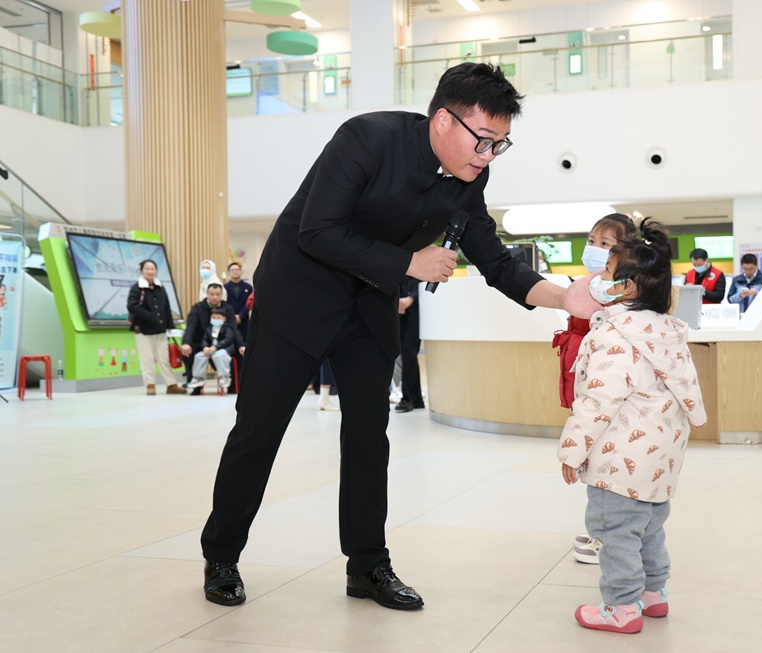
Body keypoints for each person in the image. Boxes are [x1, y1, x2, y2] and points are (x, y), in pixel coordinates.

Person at [199, 62, 599, 611]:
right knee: (258, 431)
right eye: (483, 140)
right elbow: (317, 231)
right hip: (298, 299)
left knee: (369, 436)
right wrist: (408, 261)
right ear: (444, 120)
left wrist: (564, 297)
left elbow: (496, 261)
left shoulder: (469, 178)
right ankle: (221, 555)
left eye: (499, 145)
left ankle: (367, 565)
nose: (488, 156)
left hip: (367, 307)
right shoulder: (366, 139)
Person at [558, 219, 707, 634]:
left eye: (606, 272)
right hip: (661, 458)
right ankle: (653, 593)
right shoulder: (668, 332)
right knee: (650, 528)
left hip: (619, 459)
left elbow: (598, 401)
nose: (599, 279)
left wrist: (572, 450)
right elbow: (688, 389)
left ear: (625, 288)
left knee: (616, 531)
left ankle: (622, 607)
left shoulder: (615, 335)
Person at [552, 212, 638, 565]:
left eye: (605, 244)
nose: (594, 249)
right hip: (586, 380)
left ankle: (608, 537)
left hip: (607, 387)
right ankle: (603, 530)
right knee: (596, 459)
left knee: (606, 462)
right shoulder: (593, 284)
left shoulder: (619, 291)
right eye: (591, 241)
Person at [126, 260, 186, 396]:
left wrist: (170, 325)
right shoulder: (137, 288)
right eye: (147, 269)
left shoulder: (160, 287)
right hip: (143, 330)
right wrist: (150, 317)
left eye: (152, 269)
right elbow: (132, 306)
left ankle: (171, 385)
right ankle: (150, 385)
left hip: (160, 329)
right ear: (142, 271)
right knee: (147, 359)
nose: (150, 271)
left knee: (164, 358)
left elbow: (166, 306)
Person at [181, 283, 244, 392]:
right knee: (188, 352)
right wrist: (186, 343)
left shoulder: (228, 308)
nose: (215, 297)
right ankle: (195, 384)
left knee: (240, 353)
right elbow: (191, 326)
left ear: (221, 295)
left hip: (223, 344)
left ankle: (233, 385)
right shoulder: (197, 308)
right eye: (212, 294)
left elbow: (233, 329)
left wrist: (241, 345)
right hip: (202, 343)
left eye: (218, 294)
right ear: (207, 294)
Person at [394, 276, 424, 413]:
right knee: (407, 354)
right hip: (401, 307)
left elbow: (430, 280)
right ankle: (416, 399)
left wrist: (412, 297)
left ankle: (408, 398)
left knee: (409, 352)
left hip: (417, 307)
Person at [188, 310, 236, 390]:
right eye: (213, 317)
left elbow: (228, 340)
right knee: (199, 356)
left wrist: (216, 347)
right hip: (211, 349)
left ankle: (224, 377)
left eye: (218, 318)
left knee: (219, 355)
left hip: (224, 349)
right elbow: (204, 339)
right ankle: (198, 378)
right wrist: (205, 347)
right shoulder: (209, 329)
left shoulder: (227, 328)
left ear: (224, 319)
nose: (215, 319)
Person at [224, 262, 253, 341]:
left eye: (237, 269)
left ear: (241, 272)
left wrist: (240, 316)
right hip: (229, 319)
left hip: (244, 319)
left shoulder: (248, 287)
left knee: (245, 341)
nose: (235, 272)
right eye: (232, 270)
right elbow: (224, 304)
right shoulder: (224, 287)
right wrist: (233, 316)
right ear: (229, 272)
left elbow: (249, 303)